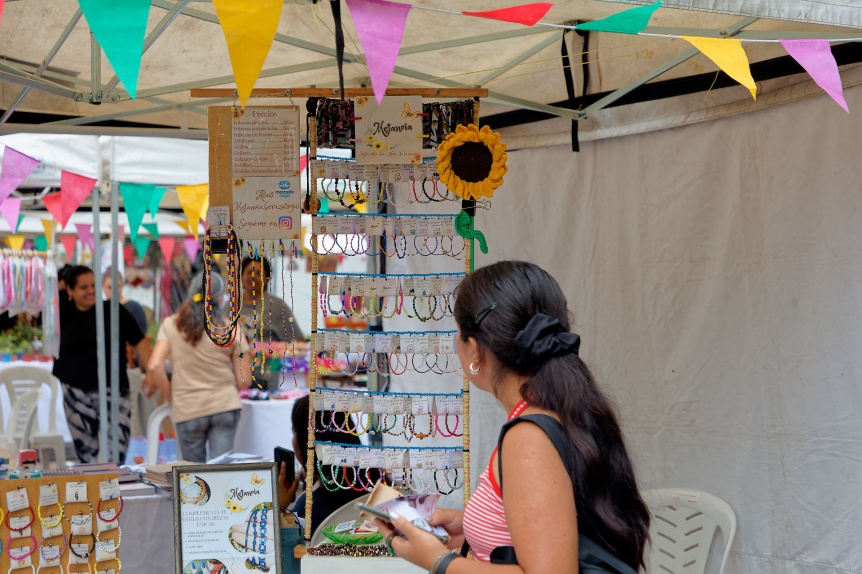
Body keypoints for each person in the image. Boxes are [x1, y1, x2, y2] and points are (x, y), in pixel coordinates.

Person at [375, 261, 651, 573]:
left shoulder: (529, 436)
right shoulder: (565, 409)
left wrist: (438, 561)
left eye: (458, 331)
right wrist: (473, 529)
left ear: (476, 350)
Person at [147, 273, 251, 463]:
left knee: (194, 476)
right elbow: (245, 379)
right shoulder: (231, 330)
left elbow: (154, 365)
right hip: (224, 406)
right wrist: (225, 391)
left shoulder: (171, 325)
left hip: (188, 407)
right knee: (221, 470)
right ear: (220, 299)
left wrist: (170, 396)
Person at [54, 265, 152, 463]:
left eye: (93, 285)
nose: (90, 291)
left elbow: (139, 340)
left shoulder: (113, 310)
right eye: (83, 287)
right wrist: (64, 278)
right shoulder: (61, 312)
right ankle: (92, 492)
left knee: (117, 453)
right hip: (76, 393)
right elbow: (53, 288)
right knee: (86, 455)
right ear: (70, 291)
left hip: (115, 390)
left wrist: (150, 372)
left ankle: (115, 491)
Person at [277, 395, 380, 533]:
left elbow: (286, 545)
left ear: (306, 443)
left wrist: (280, 507)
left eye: (294, 433)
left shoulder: (306, 508)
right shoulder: (377, 483)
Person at [239, 255, 303, 391]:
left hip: (268, 381)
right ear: (241, 275)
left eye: (259, 273)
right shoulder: (231, 307)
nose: (253, 276)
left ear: (267, 278)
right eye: (249, 272)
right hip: (236, 378)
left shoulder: (278, 307)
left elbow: (298, 342)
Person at [102, 267, 148, 335]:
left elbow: (140, 335)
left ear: (123, 284)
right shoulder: (100, 309)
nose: (113, 291)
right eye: (109, 287)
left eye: (117, 286)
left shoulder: (135, 308)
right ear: (102, 286)